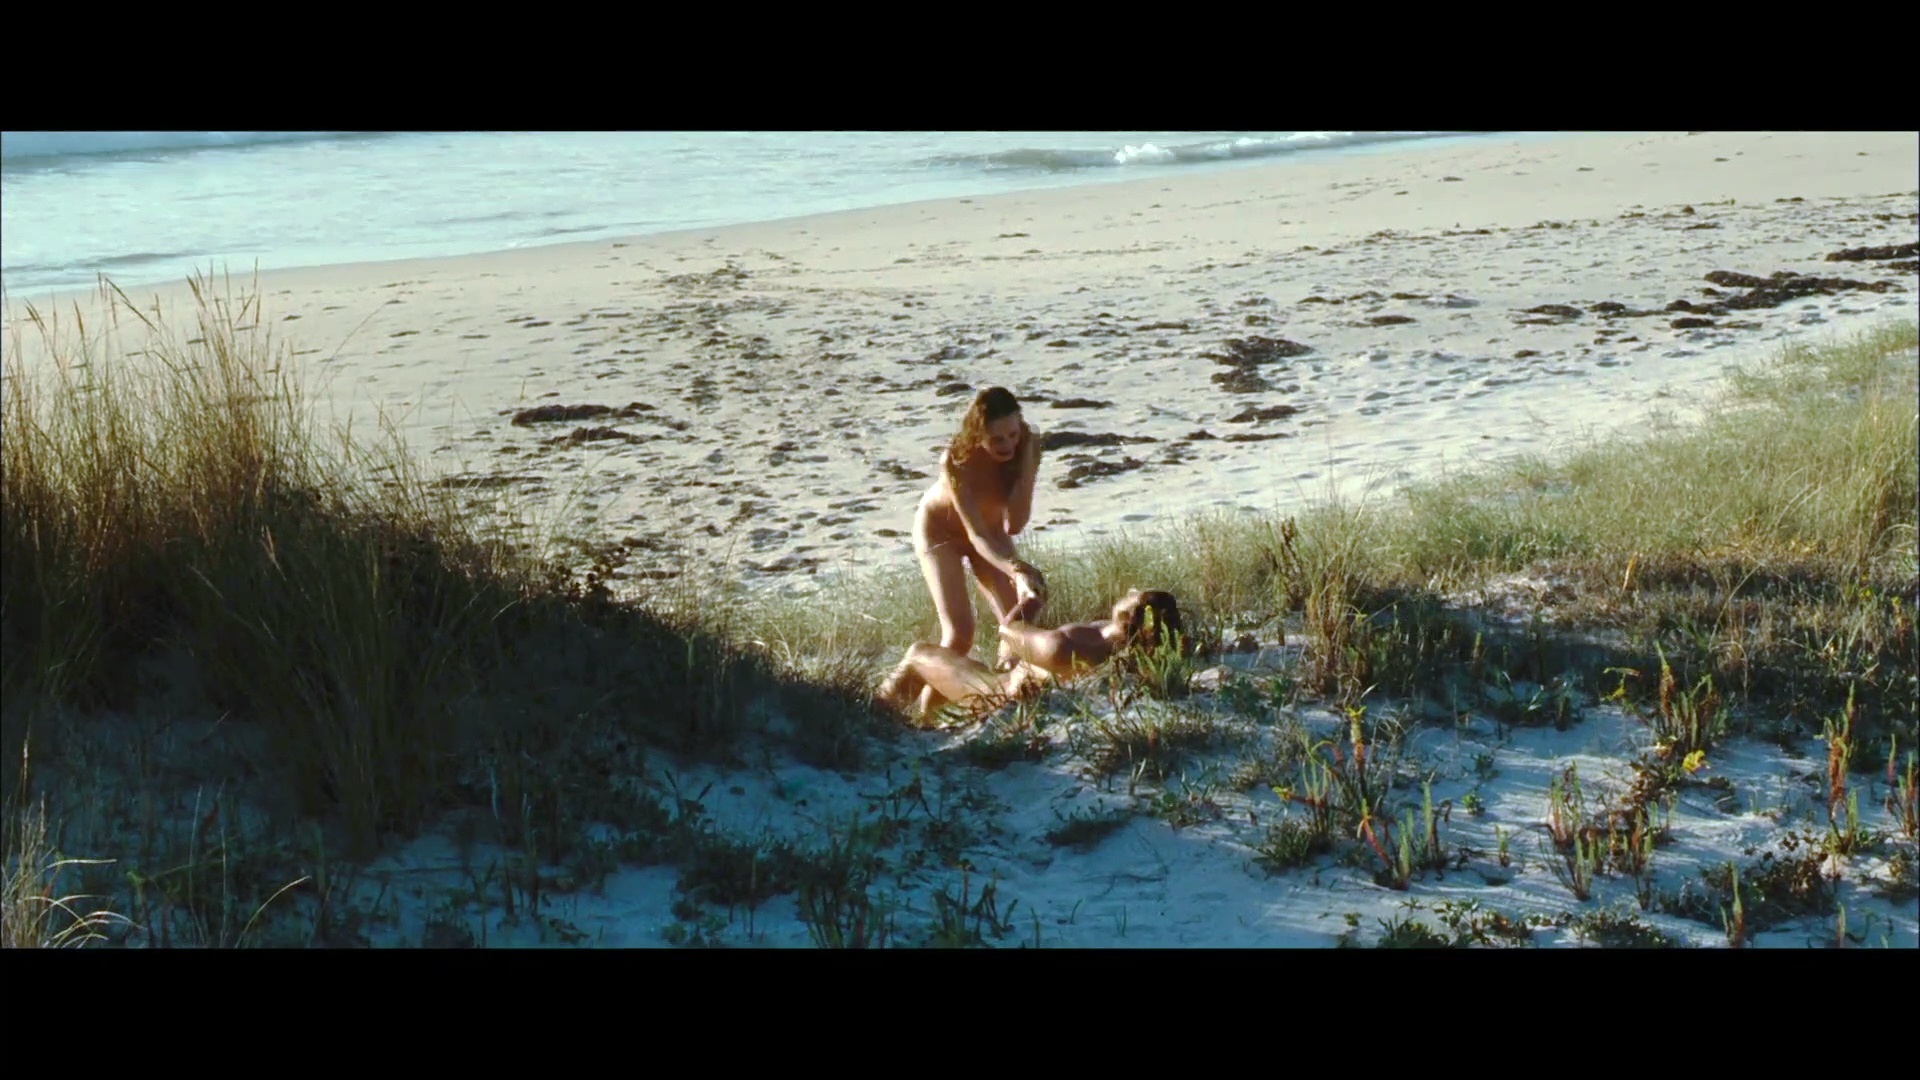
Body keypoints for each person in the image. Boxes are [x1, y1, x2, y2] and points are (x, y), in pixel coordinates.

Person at [872, 587, 1185, 722]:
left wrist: (1032, 599)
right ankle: (923, 726)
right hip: (1018, 676)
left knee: (918, 655)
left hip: (995, 694)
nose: (1129, 589)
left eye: (1133, 593)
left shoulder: (1068, 647)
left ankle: (873, 724)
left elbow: (1009, 630)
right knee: (953, 671)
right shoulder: (1128, 645)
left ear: (1126, 617)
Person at [912, 386, 1045, 669]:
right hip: (940, 533)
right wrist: (1015, 569)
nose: (1007, 445)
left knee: (1018, 629)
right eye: (997, 439)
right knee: (959, 636)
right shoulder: (956, 460)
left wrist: (1026, 463)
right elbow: (976, 535)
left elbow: (1015, 524)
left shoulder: (1027, 446)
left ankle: (1003, 688)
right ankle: (907, 690)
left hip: (991, 531)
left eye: (1013, 435)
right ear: (977, 435)